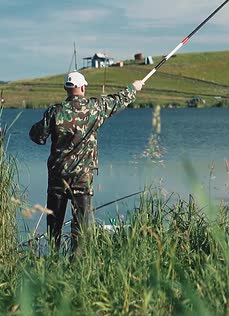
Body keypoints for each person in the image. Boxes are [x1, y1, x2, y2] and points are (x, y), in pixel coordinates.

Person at [29, 70, 143, 253]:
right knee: (81, 224)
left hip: (58, 176)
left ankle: (52, 261)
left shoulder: (54, 112)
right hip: (82, 178)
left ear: (66, 89)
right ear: (82, 87)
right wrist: (134, 87)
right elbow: (119, 100)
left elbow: (37, 137)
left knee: (54, 222)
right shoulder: (94, 108)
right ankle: (77, 265)